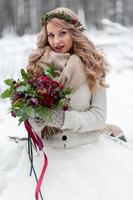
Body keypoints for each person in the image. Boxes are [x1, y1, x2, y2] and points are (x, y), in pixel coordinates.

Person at [1, 7, 133, 200]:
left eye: (62, 33)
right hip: (48, 155)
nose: (56, 41)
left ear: (74, 32)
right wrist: (36, 120)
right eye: (51, 35)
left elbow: (98, 117)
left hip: (87, 155)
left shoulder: (91, 66)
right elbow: (31, 114)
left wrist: (64, 119)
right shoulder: (37, 67)